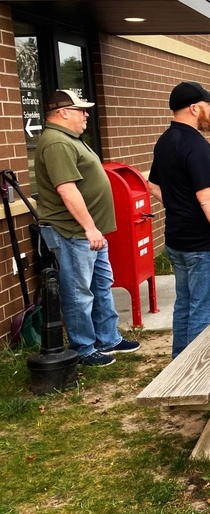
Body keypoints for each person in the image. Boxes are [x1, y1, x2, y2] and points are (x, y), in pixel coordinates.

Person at [34, 89, 140, 367]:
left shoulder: (71, 139)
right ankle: (83, 348)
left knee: (101, 284)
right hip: (72, 232)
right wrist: (90, 228)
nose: (86, 114)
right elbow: (67, 189)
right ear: (63, 113)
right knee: (79, 291)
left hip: (88, 232)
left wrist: (94, 229)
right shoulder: (57, 143)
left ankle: (108, 337)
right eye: (81, 110)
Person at [148, 81, 210, 359]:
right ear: (194, 108)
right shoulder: (194, 144)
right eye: (208, 105)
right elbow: (208, 198)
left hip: (179, 240)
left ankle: (178, 367)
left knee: (186, 306)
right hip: (204, 245)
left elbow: (153, 185)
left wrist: (179, 207)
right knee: (205, 311)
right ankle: (195, 375)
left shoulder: (166, 140)